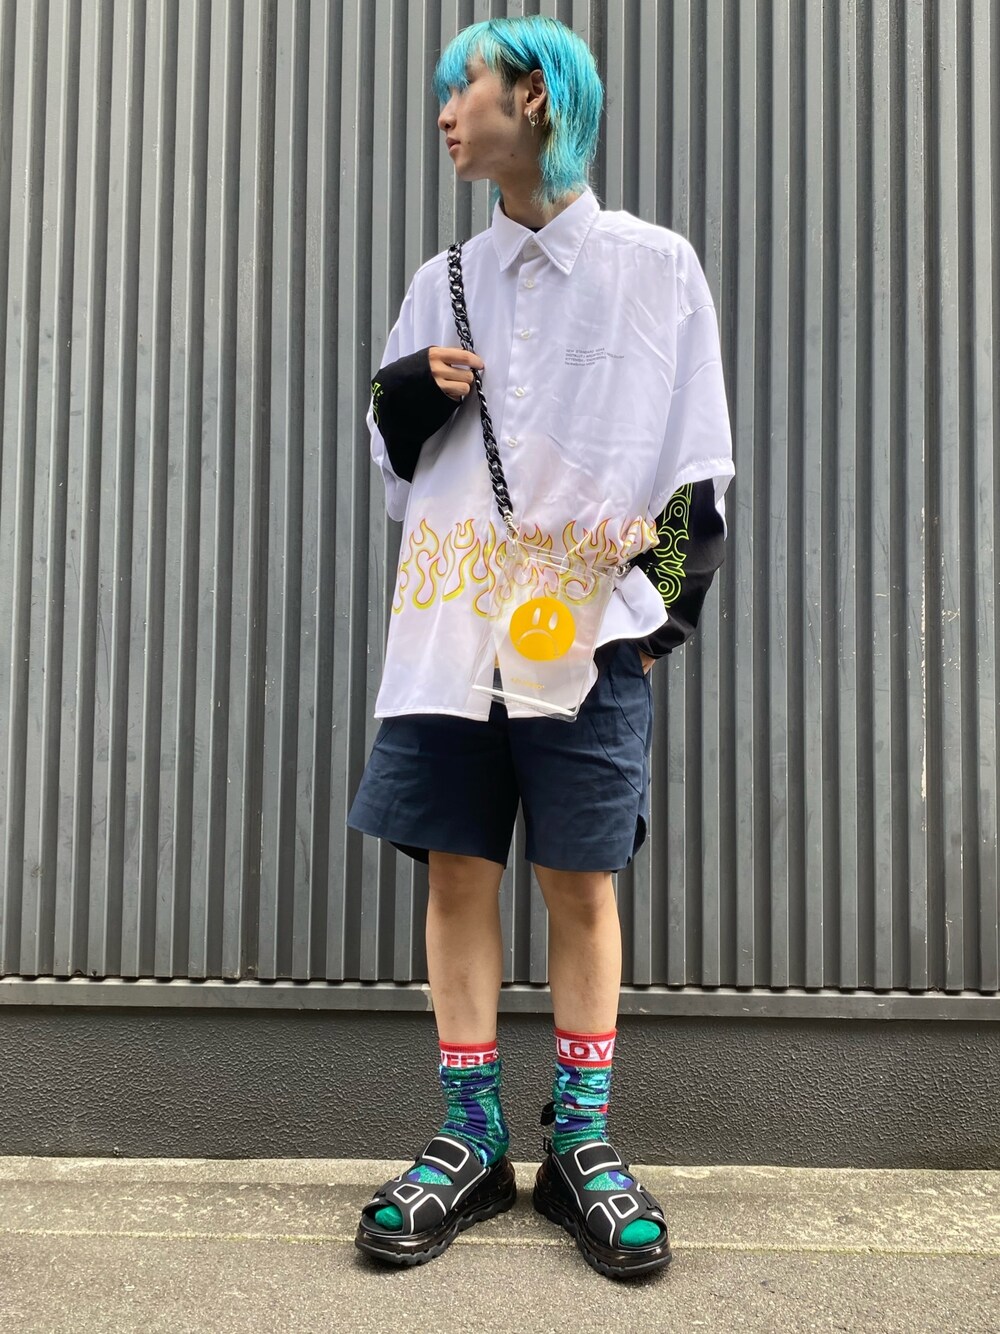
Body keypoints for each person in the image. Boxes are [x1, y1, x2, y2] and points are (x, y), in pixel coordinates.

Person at [349, 16, 734, 1279]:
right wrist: (408, 396)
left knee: (581, 882)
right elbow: (390, 461)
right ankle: (470, 1137)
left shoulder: (656, 267)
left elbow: (697, 467)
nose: (444, 113)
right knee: (456, 873)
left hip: (589, 642)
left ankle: (582, 1142)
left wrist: (656, 623)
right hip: (450, 632)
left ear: (534, 97)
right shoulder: (440, 277)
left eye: (460, 87)